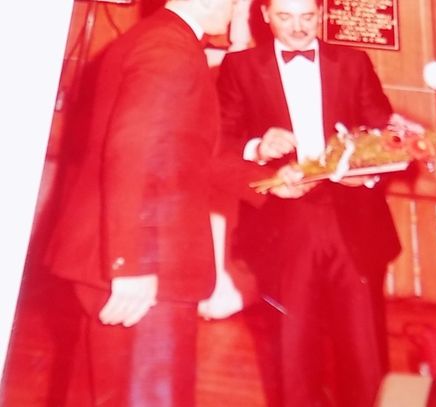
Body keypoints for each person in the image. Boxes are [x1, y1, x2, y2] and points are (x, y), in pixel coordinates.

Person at [42, 0, 234, 405]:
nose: (238, 7)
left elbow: (184, 154)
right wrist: (130, 266)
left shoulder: (160, 39)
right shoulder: (170, 49)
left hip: (129, 260)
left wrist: (272, 179)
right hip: (149, 270)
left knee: (101, 395)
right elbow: (135, 154)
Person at [215, 0, 402, 404]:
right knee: (292, 348)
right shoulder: (239, 68)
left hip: (353, 219)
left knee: (364, 349)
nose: (299, 28)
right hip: (283, 221)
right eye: (286, 17)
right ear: (265, 15)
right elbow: (219, 142)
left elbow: (384, 135)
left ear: (322, 13)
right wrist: (257, 147)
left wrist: (368, 169)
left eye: (308, 16)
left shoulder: (353, 62)